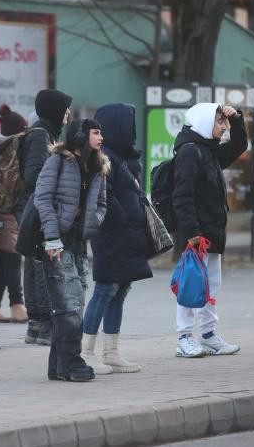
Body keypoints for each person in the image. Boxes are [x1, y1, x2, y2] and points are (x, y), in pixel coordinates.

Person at [35, 118, 109, 382]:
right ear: (80, 134)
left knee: (74, 303)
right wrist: (52, 237)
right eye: (96, 132)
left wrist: (94, 220)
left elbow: (102, 203)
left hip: (78, 241)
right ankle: (72, 362)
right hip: (57, 242)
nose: (101, 138)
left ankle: (58, 366)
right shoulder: (58, 161)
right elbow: (41, 197)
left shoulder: (97, 166)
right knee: (67, 304)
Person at [82, 103, 151, 374]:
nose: (132, 130)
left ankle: (111, 352)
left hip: (129, 235)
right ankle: (86, 352)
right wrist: (124, 218)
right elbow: (104, 196)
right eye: (129, 124)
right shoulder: (103, 157)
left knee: (120, 291)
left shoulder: (125, 158)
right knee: (104, 290)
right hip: (112, 235)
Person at [172, 103, 244, 359]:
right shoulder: (191, 152)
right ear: (204, 122)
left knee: (211, 285)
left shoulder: (208, 151)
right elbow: (182, 195)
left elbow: (239, 146)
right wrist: (192, 233)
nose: (223, 127)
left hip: (212, 232)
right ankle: (184, 337)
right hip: (198, 235)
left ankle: (208, 334)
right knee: (191, 284)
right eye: (219, 122)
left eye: (224, 123)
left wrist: (237, 118)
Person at [16, 89, 73, 346]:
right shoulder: (41, 136)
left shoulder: (43, 133)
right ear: (53, 110)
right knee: (41, 264)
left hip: (36, 205)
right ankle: (44, 325)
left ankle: (37, 325)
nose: (68, 113)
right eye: (64, 108)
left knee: (35, 262)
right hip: (40, 207)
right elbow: (34, 175)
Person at [0, 104, 29, 323]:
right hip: (8, 209)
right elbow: (15, 182)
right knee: (12, 257)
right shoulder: (14, 149)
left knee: (4, 261)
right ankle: (17, 305)